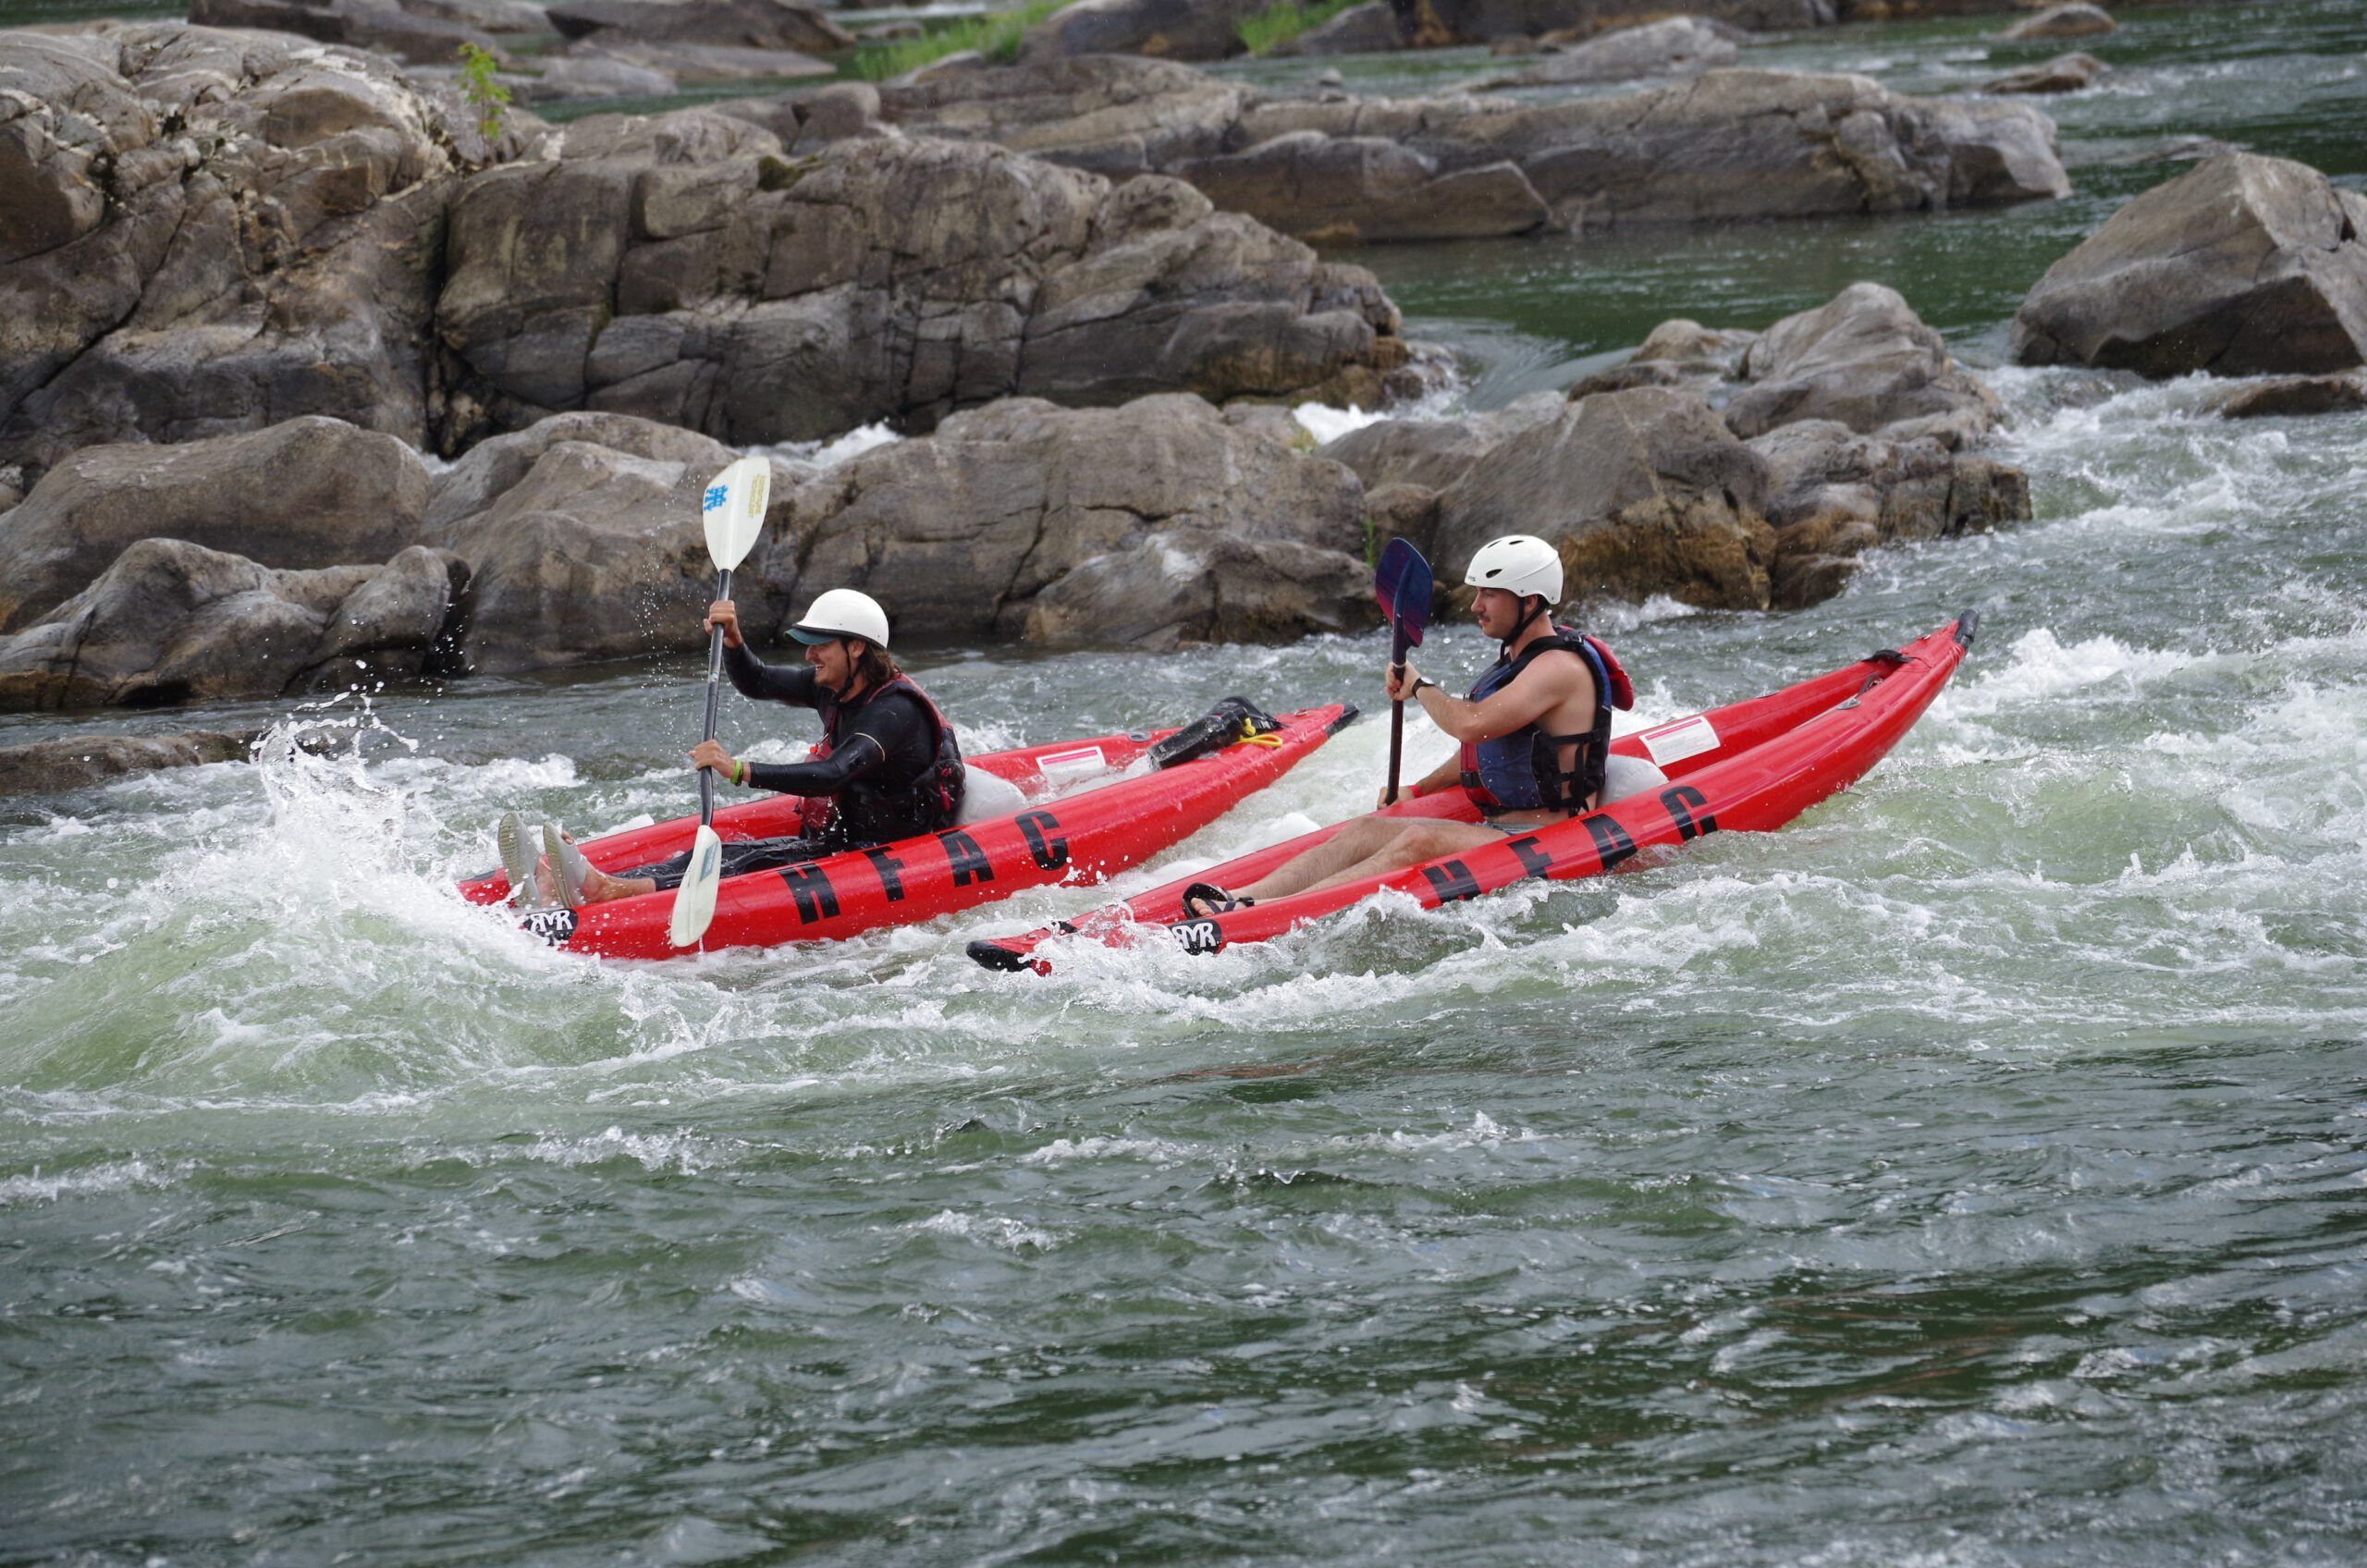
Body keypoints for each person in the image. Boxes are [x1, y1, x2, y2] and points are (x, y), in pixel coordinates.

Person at [1182, 534, 1629, 916]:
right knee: (1363, 831)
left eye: (1489, 595)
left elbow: (1472, 726)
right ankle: (1240, 898)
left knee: (1418, 840)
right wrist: (1419, 789)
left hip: (1548, 834)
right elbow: (1491, 750)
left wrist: (1418, 687)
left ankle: (1269, 916)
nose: (1475, 606)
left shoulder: (1557, 668)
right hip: (1501, 826)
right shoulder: (1518, 659)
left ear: (1529, 601)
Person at [504, 588, 965, 909]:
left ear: (857, 648)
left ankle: (606, 892)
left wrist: (739, 769)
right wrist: (735, 642)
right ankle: (583, 881)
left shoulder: (893, 712)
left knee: (755, 862)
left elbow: (833, 774)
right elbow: (757, 680)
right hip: (851, 833)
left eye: (819, 645)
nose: (809, 655)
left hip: (896, 847)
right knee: (723, 853)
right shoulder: (835, 685)